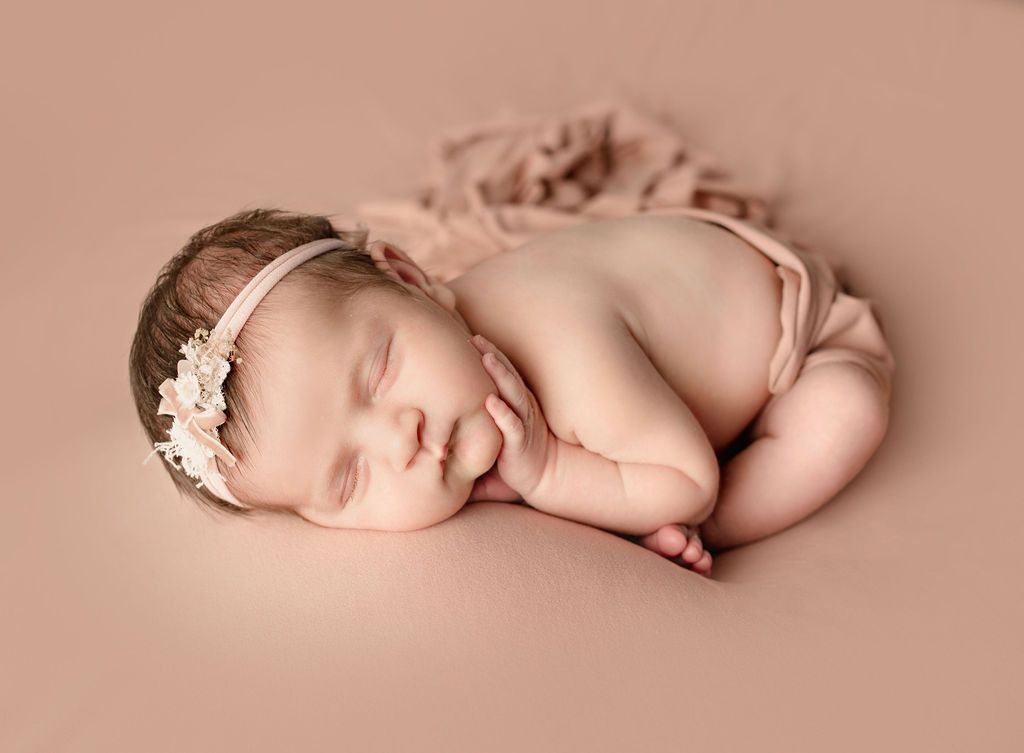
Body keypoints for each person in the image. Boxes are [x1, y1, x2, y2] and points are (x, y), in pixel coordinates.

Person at [130, 206, 895, 577]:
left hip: (792, 324)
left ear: (411, 278)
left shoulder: (566, 354)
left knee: (847, 411)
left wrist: (552, 474)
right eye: (347, 478)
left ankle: (726, 531)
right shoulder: (455, 377)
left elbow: (688, 479)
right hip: (669, 311)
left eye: (378, 372)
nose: (399, 440)